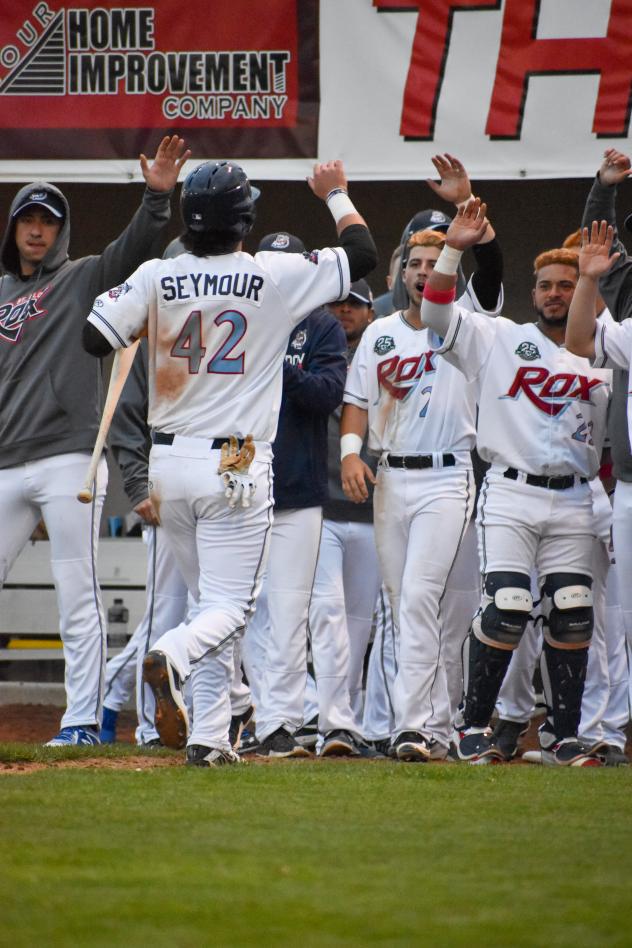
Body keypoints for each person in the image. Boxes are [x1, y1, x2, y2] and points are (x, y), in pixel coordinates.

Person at [82, 158, 377, 761]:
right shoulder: (272, 273)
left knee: (206, 601)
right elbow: (362, 253)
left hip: (169, 464)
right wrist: (336, 193)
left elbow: (94, 337)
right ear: (244, 219)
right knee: (229, 609)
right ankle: (177, 654)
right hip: (236, 466)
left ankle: (210, 738)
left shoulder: (157, 274)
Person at [0, 135, 190, 746]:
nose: (36, 230)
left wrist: (156, 198)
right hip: (5, 460)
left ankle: (80, 721)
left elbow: (131, 250)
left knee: (76, 594)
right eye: (27, 219)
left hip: (69, 460)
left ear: (61, 231)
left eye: (47, 222)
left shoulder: (82, 280)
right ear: (14, 227)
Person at [421, 200, 611, 766]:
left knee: (574, 609)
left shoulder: (610, 351)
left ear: (588, 290)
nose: (555, 293)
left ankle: (561, 734)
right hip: (510, 490)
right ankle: (471, 726)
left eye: (568, 284)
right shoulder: (498, 337)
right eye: (546, 285)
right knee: (506, 605)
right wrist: (454, 247)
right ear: (533, 294)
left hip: (577, 495)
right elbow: (435, 314)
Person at [340, 181, 503, 762]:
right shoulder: (381, 331)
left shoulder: (468, 321)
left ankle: (414, 725)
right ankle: (433, 726)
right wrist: (350, 453)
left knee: (420, 599)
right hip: (392, 479)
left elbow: (489, 276)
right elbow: (356, 400)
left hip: (447, 475)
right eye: (416, 261)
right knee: (402, 600)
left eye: (437, 262)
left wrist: (468, 225)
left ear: (451, 271)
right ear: (399, 269)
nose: (424, 270)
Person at [235, 230, 349, 758]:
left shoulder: (322, 324)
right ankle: (255, 715)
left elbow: (327, 394)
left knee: (288, 613)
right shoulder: (236, 317)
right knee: (239, 612)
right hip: (239, 484)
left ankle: (280, 723)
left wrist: (277, 365)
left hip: (298, 489)